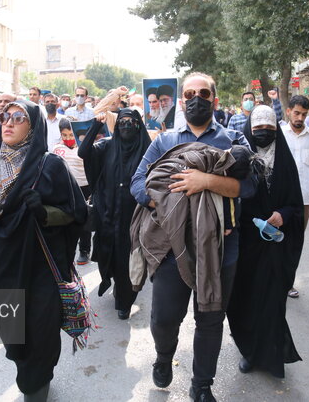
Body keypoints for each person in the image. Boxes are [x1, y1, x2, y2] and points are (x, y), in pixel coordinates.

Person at [131, 72, 256, 402]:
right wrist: (173, 209)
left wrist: (205, 181)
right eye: (190, 94)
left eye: (203, 93)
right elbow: (137, 184)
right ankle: (162, 356)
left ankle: (202, 385)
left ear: (214, 99)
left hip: (221, 247)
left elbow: (251, 187)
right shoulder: (164, 142)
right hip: (173, 248)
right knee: (163, 318)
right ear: (181, 100)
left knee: (211, 318)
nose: (196, 99)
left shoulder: (233, 140)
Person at [0, 100, 87, 401]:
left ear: (33, 126)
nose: (8, 123)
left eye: (18, 118)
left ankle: (37, 383)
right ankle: (29, 371)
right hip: (4, 264)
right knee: (14, 334)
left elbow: (78, 213)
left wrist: (44, 212)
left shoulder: (49, 164)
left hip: (41, 264)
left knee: (40, 330)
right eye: (4, 117)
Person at [227, 104, 304, 379]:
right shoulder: (240, 159)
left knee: (272, 301)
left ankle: (270, 355)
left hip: (276, 246)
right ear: (249, 129)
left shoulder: (285, 161)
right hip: (246, 243)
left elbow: (295, 204)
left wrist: (282, 215)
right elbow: (230, 199)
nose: (263, 134)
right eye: (257, 129)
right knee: (244, 298)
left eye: (269, 129)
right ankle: (248, 350)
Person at [79, 108, 151, 320]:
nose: (126, 125)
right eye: (122, 121)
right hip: (108, 211)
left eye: (131, 121)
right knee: (107, 252)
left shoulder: (146, 148)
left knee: (126, 257)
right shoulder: (108, 145)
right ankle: (112, 281)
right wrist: (96, 125)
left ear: (138, 125)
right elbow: (84, 152)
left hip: (134, 215)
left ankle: (124, 300)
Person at [281, 95, 309, 298]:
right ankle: (274, 280)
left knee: (295, 243)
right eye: (296, 113)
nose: (300, 118)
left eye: (304, 114)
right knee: (276, 241)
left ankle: (288, 282)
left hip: (304, 201)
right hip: (280, 201)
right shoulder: (279, 134)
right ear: (288, 111)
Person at [52, 119, 91, 265]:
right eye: (64, 135)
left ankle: (84, 250)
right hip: (67, 188)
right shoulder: (56, 148)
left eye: (71, 135)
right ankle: (68, 252)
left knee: (85, 222)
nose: (68, 138)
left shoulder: (85, 148)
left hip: (85, 187)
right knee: (68, 221)